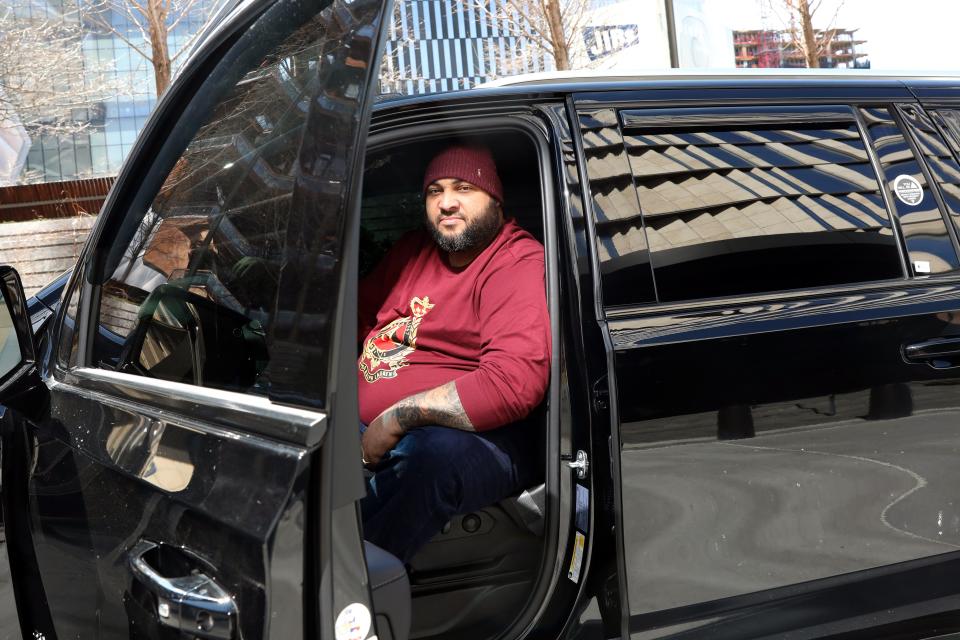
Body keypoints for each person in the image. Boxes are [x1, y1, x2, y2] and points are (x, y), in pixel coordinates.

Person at [358, 144, 551, 562]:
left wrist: (394, 419)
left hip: (475, 439)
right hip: (366, 429)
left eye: (464, 188)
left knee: (428, 460)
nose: (446, 202)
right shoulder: (413, 251)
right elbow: (352, 321)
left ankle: (356, 595)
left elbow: (512, 385)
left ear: (495, 200)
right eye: (434, 191)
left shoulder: (514, 260)